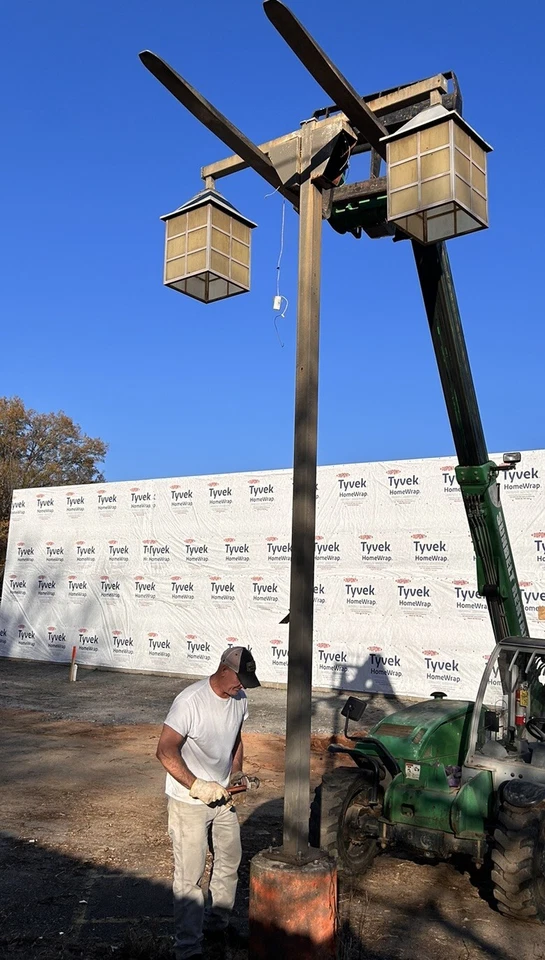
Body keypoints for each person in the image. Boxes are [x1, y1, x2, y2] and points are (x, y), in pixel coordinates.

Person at [156, 646, 260, 960]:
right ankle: (188, 950)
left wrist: (237, 769)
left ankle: (217, 925)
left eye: (246, 681)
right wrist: (197, 786)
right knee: (190, 876)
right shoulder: (190, 702)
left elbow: (237, 738)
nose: (242, 686)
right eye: (239, 679)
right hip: (188, 801)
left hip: (223, 797)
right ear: (223, 668)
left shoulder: (240, 699)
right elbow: (165, 751)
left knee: (230, 860)